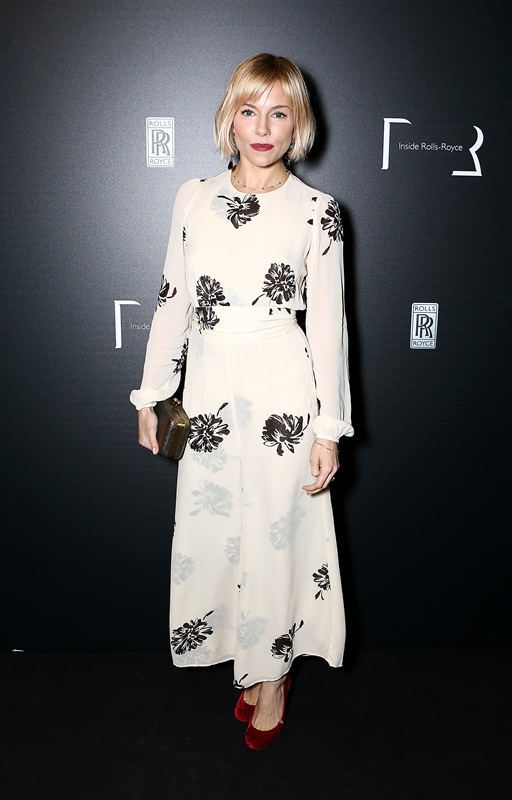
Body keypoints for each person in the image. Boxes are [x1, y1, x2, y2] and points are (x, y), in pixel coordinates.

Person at [130, 53, 353, 750]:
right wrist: (152, 393)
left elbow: (328, 330)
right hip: (211, 394)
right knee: (223, 536)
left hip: (283, 395)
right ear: (230, 118)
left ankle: (273, 677)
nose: (262, 127)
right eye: (249, 111)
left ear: (298, 124)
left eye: (278, 113)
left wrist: (329, 429)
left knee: (276, 540)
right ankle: (251, 663)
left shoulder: (318, 213)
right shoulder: (192, 198)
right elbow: (173, 301)